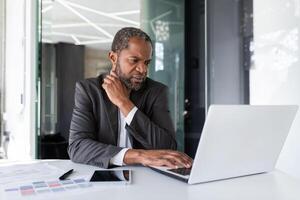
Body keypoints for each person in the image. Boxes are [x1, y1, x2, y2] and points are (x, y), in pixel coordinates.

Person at [68, 27, 192, 169]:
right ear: (113, 58)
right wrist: (138, 156)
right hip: (103, 175)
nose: (143, 69)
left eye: (146, 62)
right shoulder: (89, 90)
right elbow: (77, 147)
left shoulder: (156, 91)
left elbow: (167, 147)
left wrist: (124, 104)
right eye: (134, 60)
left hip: (146, 178)